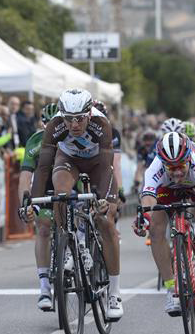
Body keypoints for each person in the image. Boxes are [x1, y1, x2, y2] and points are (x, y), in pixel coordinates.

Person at [27, 89, 123, 321]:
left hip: (97, 163)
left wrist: (105, 198)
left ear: (89, 113)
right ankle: (68, 244)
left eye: (80, 117)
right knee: (60, 194)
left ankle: (114, 293)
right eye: (69, 118)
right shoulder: (55, 125)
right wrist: (35, 203)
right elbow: (42, 168)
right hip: (69, 160)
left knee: (105, 220)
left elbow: (107, 166)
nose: (74, 124)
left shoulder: (101, 123)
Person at [134, 132, 195, 316]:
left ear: (188, 159)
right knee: (155, 229)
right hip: (166, 189)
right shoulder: (155, 168)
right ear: (162, 163)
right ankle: (171, 289)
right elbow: (148, 199)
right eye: (171, 167)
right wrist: (143, 220)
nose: (176, 172)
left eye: (181, 166)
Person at [17, 103, 60, 310]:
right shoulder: (35, 141)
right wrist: (24, 204)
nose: (51, 128)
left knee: (81, 215)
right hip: (45, 189)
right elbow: (25, 176)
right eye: (47, 124)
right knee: (43, 227)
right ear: (42, 124)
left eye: (55, 123)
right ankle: (44, 287)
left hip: (73, 183)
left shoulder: (72, 137)